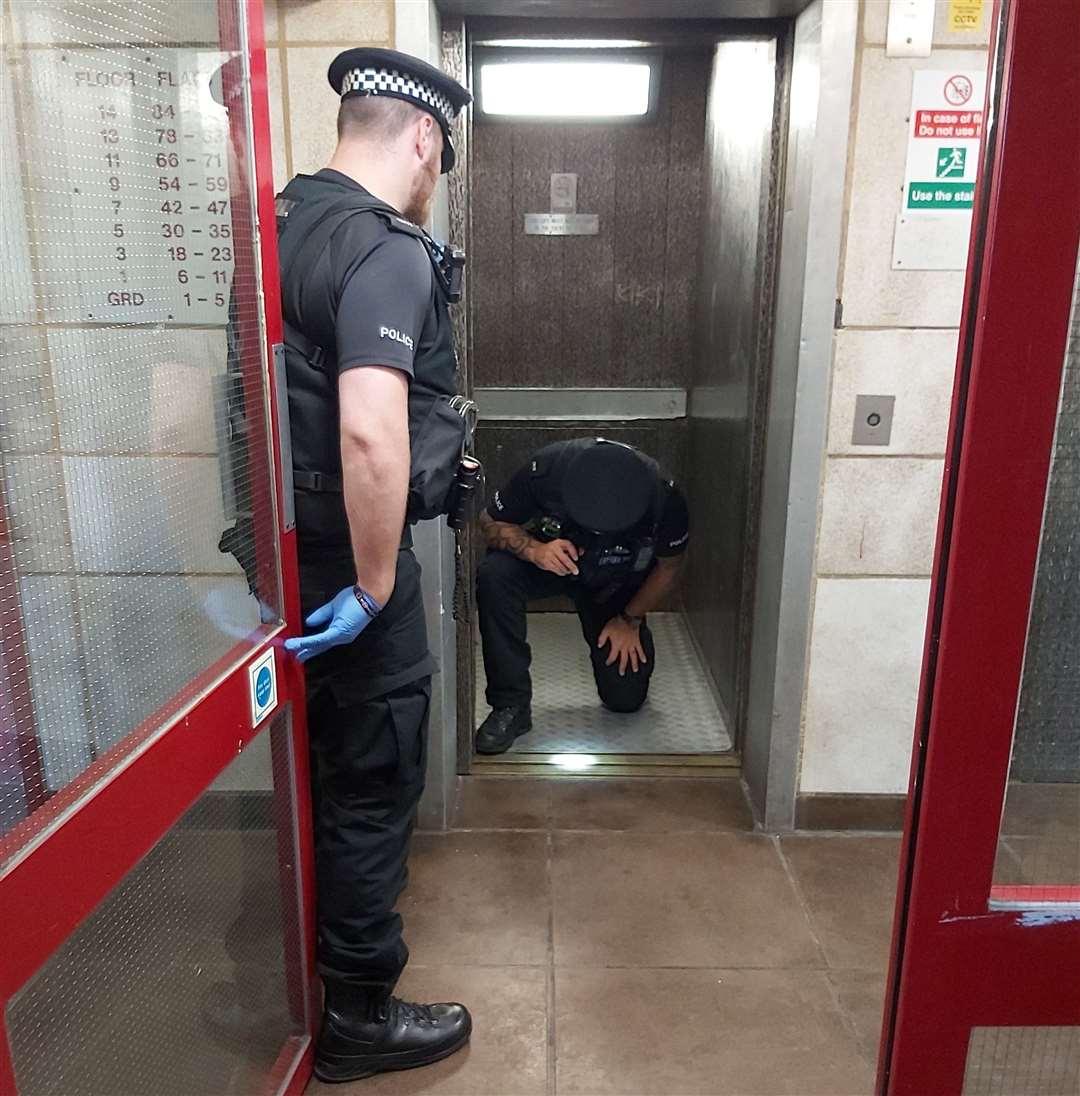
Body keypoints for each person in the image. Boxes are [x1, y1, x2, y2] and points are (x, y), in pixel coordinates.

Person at [276, 48, 472, 1083]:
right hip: (349, 576)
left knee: (299, 772)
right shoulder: (385, 248)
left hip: (275, 565)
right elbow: (371, 438)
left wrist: (244, 559)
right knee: (370, 777)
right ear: (424, 138)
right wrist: (378, 582)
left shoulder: (268, 226)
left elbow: (186, 401)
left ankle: (289, 981)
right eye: (440, 160)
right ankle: (355, 1013)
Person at [475, 437, 690, 754]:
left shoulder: (665, 499)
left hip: (613, 581)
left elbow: (668, 567)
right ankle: (511, 706)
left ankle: (623, 642)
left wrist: (629, 620)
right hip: (552, 559)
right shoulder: (546, 470)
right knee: (494, 575)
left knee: (625, 698)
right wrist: (535, 551)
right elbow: (490, 520)